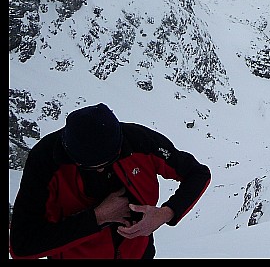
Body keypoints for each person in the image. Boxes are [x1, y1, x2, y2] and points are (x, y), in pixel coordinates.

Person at [9, 103, 211, 259]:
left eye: (110, 161)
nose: (101, 169)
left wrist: (166, 213)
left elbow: (197, 173)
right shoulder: (46, 161)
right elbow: (21, 245)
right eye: (91, 166)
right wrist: (97, 217)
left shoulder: (138, 141)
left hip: (139, 254)